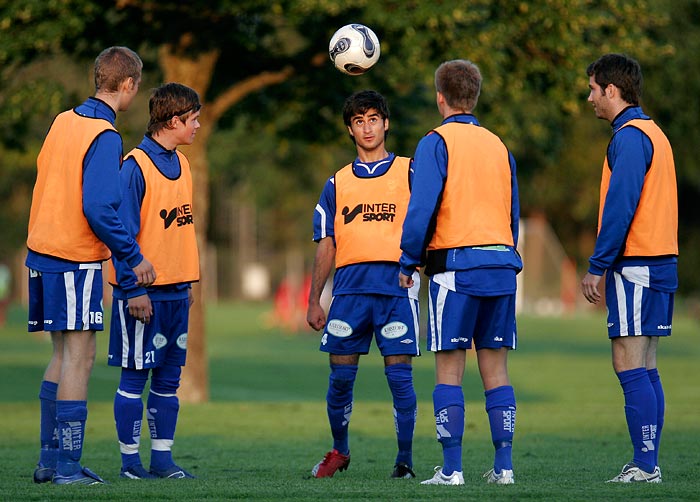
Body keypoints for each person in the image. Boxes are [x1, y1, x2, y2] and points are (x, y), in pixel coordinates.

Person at [26, 46, 155, 485]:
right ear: (128, 86)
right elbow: (100, 207)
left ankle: (49, 461)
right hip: (73, 256)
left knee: (62, 355)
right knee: (81, 357)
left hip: (42, 253)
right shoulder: (104, 133)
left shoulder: (63, 121)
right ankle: (66, 468)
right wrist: (132, 258)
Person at [398, 59, 522, 486]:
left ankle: (451, 470)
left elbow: (421, 209)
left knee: (449, 368)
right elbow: (513, 213)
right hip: (503, 266)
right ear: (476, 95)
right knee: (496, 370)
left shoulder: (436, 141)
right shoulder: (499, 145)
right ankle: (503, 468)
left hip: (456, 268)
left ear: (440, 98)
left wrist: (408, 259)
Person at [306, 90, 420, 480]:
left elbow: (428, 223)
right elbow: (326, 243)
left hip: (396, 290)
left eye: (374, 118)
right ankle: (340, 451)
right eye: (359, 121)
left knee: (400, 380)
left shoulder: (409, 171)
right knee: (340, 381)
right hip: (349, 294)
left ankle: (404, 460)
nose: (367, 127)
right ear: (350, 129)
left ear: (386, 123)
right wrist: (314, 299)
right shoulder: (336, 183)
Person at [581, 53, 676, 484]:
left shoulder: (631, 136)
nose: (589, 99)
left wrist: (597, 266)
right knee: (647, 364)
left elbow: (621, 207)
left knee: (628, 362)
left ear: (611, 90)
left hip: (638, 263)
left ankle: (645, 465)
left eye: (592, 89)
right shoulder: (651, 130)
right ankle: (647, 461)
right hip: (659, 261)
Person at [107, 83, 201, 480]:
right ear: (174, 120)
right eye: (193, 119)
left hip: (177, 294)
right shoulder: (135, 166)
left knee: (168, 377)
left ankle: (162, 461)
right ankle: (131, 464)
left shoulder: (184, 163)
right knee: (135, 375)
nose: (198, 126)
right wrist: (134, 289)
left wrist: (187, 285)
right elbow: (121, 233)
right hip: (142, 296)